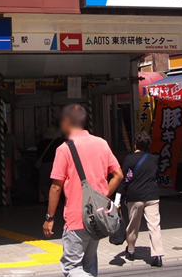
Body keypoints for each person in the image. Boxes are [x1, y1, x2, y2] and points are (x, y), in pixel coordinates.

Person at [43, 104, 124, 277]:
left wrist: (49, 218)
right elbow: (118, 175)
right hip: (98, 215)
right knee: (89, 264)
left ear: (67, 122)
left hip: (76, 218)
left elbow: (56, 187)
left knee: (70, 267)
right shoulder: (101, 144)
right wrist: (101, 197)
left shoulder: (64, 149)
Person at [121, 131, 163, 268]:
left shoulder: (129, 159)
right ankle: (157, 255)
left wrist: (117, 197)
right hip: (152, 195)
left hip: (135, 196)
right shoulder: (154, 159)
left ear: (135, 145)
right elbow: (157, 175)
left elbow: (123, 180)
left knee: (133, 225)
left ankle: (131, 251)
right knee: (154, 226)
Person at [36, 126, 65, 202]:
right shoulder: (59, 143)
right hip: (56, 164)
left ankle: (47, 197)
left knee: (43, 181)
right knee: (54, 183)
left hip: (45, 164)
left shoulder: (42, 143)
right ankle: (55, 199)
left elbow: (38, 154)